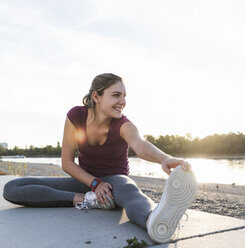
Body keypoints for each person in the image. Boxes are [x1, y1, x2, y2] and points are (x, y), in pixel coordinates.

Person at [3, 73, 196, 243]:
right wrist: (94, 185)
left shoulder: (124, 124)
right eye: (116, 95)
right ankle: (86, 200)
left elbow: (140, 145)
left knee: (130, 191)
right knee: (12, 188)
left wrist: (164, 158)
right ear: (96, 96)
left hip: (114, 184)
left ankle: (153, 221)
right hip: (84, 182)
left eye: (124, 96)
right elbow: (67, 163)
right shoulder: (75, 116)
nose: (123, 101)